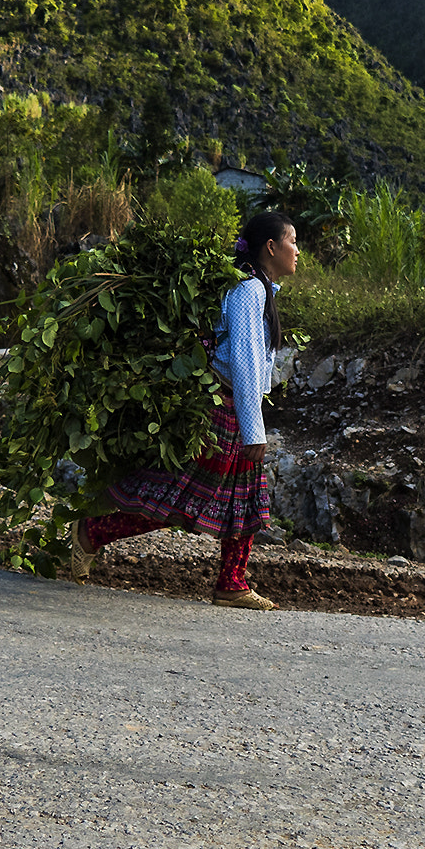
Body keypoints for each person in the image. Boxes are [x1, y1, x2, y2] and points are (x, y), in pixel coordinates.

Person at [68, 211, 299, 610]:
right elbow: (243, 363)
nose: (298, 251)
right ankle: (90, 532)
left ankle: (232, 582)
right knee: (180, 499)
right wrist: (254, 430)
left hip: (233, 408)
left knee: (243, 500)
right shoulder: (249, 292)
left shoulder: (262, 289)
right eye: (293, 241)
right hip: (223, 410)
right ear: (271, 247)